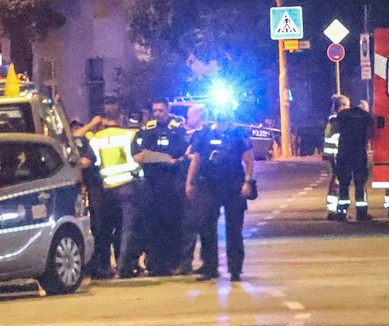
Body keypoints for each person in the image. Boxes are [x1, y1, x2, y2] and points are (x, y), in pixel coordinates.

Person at [185, 102, 255, 282]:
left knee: (234, 229)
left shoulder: (238, 133)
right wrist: (190, 183)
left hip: (233, 186)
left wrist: (247, 182)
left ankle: (235, 269)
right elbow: (196, 160)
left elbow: (248, 160)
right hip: (209, 185)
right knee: (206, 227)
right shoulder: (205, 134)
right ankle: (210, 266)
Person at [77, 108, 143, 279]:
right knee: (126, 229)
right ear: (120, 118)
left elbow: (85, 161)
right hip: (127, 186)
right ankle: (124, 267)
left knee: (105, 229)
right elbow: (139, 158)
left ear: (103, 121)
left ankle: (107, 266)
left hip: (106, 190)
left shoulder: (97, 139)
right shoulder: (129, 135)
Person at [131, 99, 189, 276]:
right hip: (152, 186)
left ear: (168, 110)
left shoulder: (178, 130)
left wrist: (155, 157)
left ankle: (175, 263)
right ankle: (155, 264)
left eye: (161, 110)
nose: (158, 114)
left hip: (173, 185)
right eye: (155, 111)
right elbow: (139, 156)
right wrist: (164, 158)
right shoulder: (147, 131)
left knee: (174, 225)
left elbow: (183, 154)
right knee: (153, 228)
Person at [330, 97, 376, 222]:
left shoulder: (343, 115)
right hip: (358, 153)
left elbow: (334, 127)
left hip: (344, 153)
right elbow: (371, 134)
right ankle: (361, 213)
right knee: (360, 184)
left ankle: (342, 212)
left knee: (344, 184)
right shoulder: (366, 117)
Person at [322, 95, 348, 218]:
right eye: (347, 106)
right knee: (338, 182)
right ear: (341, 107)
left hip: (333, 155)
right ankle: (334, 210)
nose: (349, 108)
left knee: (336, 181)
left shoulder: (333, 120)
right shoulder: (337, 122)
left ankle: (334, 209)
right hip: (337, 155)